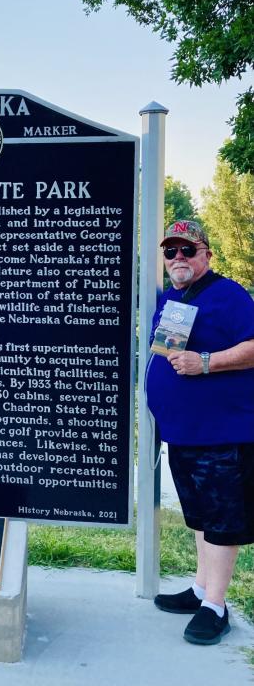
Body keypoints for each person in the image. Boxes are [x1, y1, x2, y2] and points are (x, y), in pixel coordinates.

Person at [147, 220, 254, 645]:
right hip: (185, 433)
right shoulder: (171, 298)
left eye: (187, 251)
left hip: (223, 434)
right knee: (200, 517)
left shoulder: (229, 295)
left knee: (222, 521)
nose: (178, 259)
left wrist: (205, 362)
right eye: (170, 252)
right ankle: (200, 589)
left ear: (207, 255)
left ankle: (217, 606)